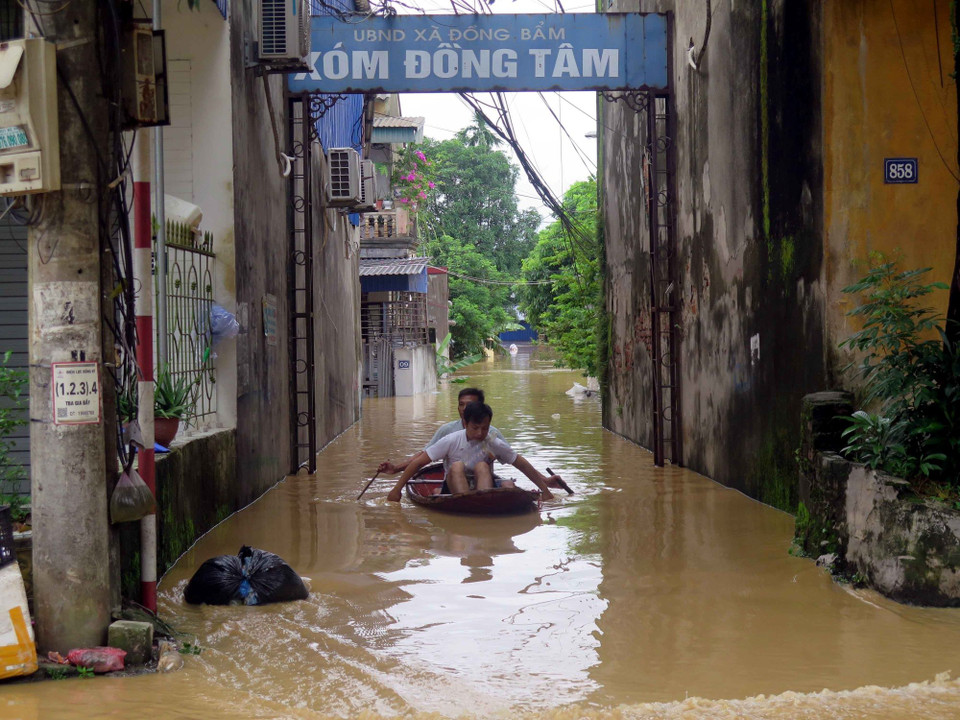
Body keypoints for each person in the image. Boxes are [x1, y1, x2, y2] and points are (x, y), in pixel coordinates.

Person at [386, 401, 563, 502]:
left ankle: (483, 502)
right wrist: (396, 490)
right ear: (465, 423)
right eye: (475, 428)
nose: (480, 433)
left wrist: (544, 488)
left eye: (484, 428)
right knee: (456, 466)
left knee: (482, 466)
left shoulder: (492, 441)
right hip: (454, 488)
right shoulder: (451, 440)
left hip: (483, 488)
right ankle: (467, 501)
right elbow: (418, 463)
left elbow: (521, 464)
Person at [378, 387, 504, 474]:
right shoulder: (448, 430)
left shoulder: (492, 434)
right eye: (461, 404)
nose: (464, 409)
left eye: (469, 405)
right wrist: (395, 468)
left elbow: (509, 457)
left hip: (483, 480)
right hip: (454, 481)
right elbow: (422, 457)